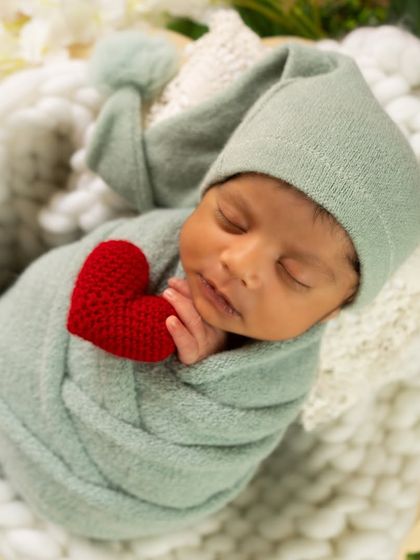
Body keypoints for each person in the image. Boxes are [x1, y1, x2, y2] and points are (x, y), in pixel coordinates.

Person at [0, 30, 419, 540]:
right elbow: (62, 293)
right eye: (231, 221)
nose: (239, 263)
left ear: (334, 310)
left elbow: (231, 439)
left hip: (113, 500)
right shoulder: (151, 242)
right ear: (204, 194)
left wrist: (214, 367)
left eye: (295, 274)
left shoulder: (283, 377)